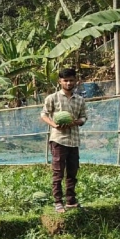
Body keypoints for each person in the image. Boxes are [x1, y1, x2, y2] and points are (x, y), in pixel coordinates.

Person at [40, 68, 88, 212]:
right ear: (60, 81)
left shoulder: (80, 100)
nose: (68, 83)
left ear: (76, 81)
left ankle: (71, 201)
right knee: (58, 172)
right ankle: (57, 202)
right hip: (58, 139)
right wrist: (54, 125)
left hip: (74, 140)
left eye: (71, 80)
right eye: (65, 80)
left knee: (72, 172)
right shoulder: (52, 98)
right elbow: (44, 114)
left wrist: (75, 122)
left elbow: (84, 117)